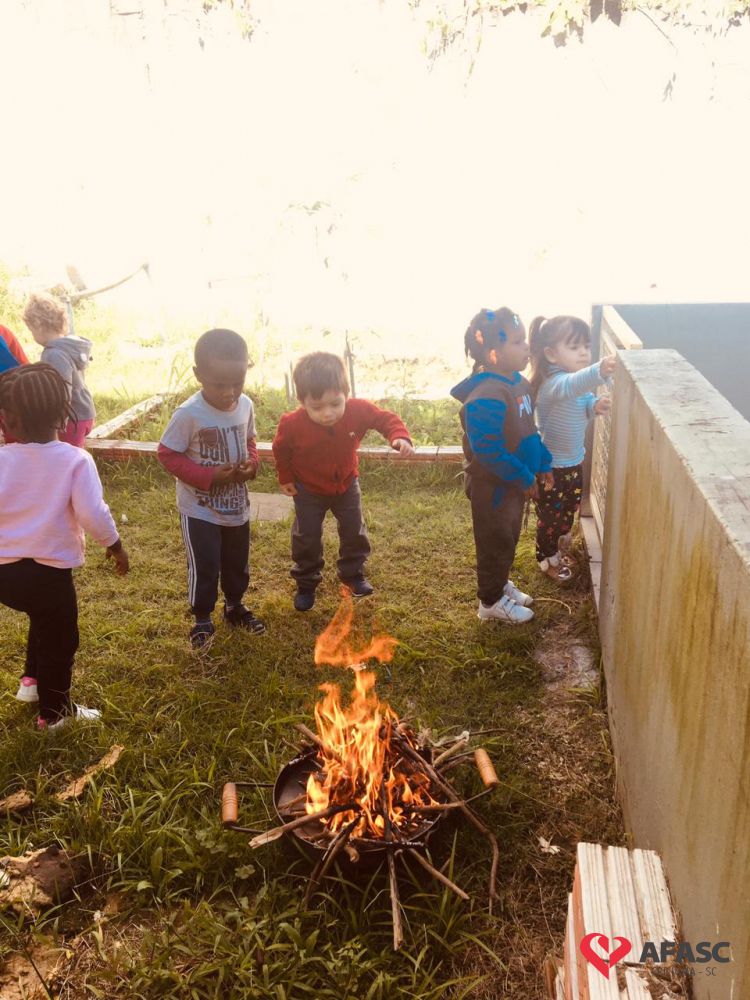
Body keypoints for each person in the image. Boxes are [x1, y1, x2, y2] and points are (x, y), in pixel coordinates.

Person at [0, 363, 129, 728]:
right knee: (59, 639)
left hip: (4, 574)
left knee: (41, 620)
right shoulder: (75, 460)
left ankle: (32, 683)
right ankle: (55, 715)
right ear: (63, 414)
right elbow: (92, 512)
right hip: (48, 576)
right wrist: (115, 544)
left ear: (7, 420)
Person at [272, 351, 414, 611]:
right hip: (308, 489)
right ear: (302, 401)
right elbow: (281, 450)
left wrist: (399, 436)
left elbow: (384, 418)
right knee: (306, 536)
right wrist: (285, 477)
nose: (328, 413)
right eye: (317, 407)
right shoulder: (291, 424)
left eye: (336, 404)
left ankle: (353, 574)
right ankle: (306, 582)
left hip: (346, 484)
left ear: (346, 394)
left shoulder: (358, 409)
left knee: (353, 529)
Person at [157, 328, 265, 649]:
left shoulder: (245, 405)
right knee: (205, 565)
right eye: (220, 384)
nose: (230, 392)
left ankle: (235, 606)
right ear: (198, 375)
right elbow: (167, 454)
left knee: (237, 562)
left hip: (236, 506)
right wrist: (207, 476)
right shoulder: (189, 414)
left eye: (238, 382)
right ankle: (202, 618)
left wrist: (252, 464)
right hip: (199, 510)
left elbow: (250, 440)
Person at [451, 307, 552, 625]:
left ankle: (500, 582)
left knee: (507, 538)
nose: (527, 347)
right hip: (493, 488)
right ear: (493, 353)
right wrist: (524, 477)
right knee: (494, 542)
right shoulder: (486, 396)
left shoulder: (517, 383)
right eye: (518, 342)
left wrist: (544, 463)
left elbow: (528, 430)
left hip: (513, 483)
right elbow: (488, 451)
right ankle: (490, 601)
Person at [529, 315, 615, 583]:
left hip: (573, 463)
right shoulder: (553, 384)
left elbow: (582, 400)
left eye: (587, 346)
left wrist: (593, 406)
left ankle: (558, 549)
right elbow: (572, 386)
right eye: (574, 347)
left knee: (568, 511)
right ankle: (546, 558)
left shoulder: (572, 382)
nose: (584, 353)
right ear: (551, 354)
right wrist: (599, 369)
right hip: (551, 468)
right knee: (550, 518)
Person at [22, 292, 96, 447]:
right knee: (70, 453)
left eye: (31, 330)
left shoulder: (54, 354)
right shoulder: (68, 347)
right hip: (83, 413)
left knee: (66, 455)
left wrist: (59, 419)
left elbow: (62, 389)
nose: (32, 336)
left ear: (38, 325)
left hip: (70, 419)